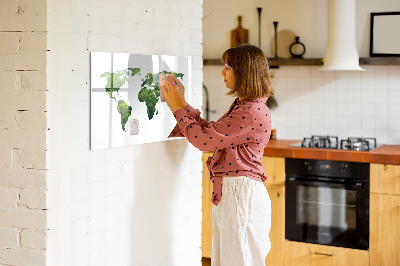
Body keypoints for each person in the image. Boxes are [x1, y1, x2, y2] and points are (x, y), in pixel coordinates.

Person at [161, 44, 273, 266]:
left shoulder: (250, 111)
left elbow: (204, 141)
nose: (222, 72)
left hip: (241, 195)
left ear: (244, 72)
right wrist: (182, 103)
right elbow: (212, 133)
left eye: (228, 67)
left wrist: (176, 108)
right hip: (236, 193)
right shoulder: (246, 106)